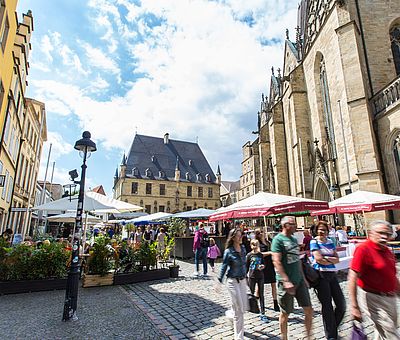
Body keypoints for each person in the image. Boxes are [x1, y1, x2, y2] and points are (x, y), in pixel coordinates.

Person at [348, 220, 400, 339]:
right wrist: (354, 306)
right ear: (371, 233)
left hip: (390, 298)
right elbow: (352, 277)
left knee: (384, 329)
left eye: (387, 234)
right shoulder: (363, 249)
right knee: (390, 333)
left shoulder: (387, 250)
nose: (384, 236)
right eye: (380, 233)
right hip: (373, 297)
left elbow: (392, 275)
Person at [271, 216, 313, 340]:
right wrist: (286, 280)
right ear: (285, 226)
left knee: (309, 309)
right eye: (293, 224)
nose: (295, 226)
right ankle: (284, 337)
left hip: (299, 280)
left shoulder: (294, 240)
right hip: (285, 283)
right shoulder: (278, 240)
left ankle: (309, 336)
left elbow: (297, 260)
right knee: (285, 313)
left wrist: (303, 278)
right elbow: (276, 261)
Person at [310, 221, 345, 340]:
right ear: (316, 230)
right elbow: (319, 259)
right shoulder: (314, 242)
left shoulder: (330, 241)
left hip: (332, 274)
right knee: (327, 306)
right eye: (320, 229)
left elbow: (337, 259)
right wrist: (331, 259)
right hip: (321, 275)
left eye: (324, 230)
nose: (322, 232)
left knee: (341, 305)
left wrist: (328, 259)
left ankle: (332, 328)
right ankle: (331, 336)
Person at [217, 228, 248, 340]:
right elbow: (224, 267)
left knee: (242, 308)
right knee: (239, 310)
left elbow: (245, 264)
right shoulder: (228, 251)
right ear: (233, 237)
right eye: (239, 236)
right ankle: (239, 337)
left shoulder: (243, 248)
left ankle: (230, 314)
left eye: (241, 235)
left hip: (243, 280)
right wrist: (219, 282)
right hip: (232, 281)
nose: (241, 237)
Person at [254, 228, 279, 312]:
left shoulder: (269, 242)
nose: (262, 233)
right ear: (257, 234)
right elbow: (259, 254)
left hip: (270, 265)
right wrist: (270, 253)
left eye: (263, 232)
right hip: (263, 265)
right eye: (260, 232)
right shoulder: (258, 244)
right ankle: (255, 300)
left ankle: (275, 302)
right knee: (260, 286)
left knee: (273, 284)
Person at [246, 239, 269, 322]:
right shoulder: (249, 255)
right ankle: (251, 308)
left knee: (261, 295)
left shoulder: (260, 255)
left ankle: (262, 312)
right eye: (253, 245)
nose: (255, 247)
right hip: (252, 277)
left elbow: (264, 264)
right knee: (251, 294)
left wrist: (263, 266)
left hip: (260, 276)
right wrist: (245, 276)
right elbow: (246, 266)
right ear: (251, 246)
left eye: (256, 245)